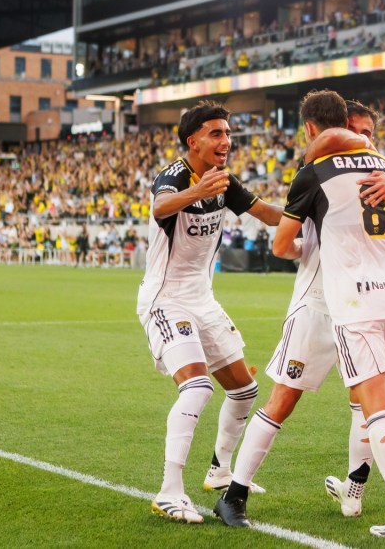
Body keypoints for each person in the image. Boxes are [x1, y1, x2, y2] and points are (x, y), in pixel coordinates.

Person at [214, 98, 385, 530]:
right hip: (319, 302)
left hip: (357, 301)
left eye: (370, 134)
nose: (364, 139)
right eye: (358, 131)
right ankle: (235, 493)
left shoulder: (366, 171)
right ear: (341, 127)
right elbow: (290, 236)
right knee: (287, 399)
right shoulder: (330, 167)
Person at [259, 90, 385, 539]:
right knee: (382, 401)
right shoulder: (384, 166)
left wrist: (311, 245)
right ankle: (358, 492)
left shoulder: (314, 171)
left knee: (377, 410)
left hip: (355, 299)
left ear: (310, 128)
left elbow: (281, 245)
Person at [137, 101, 283, 524]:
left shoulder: (225, 180)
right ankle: (169, 491)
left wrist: (309, 212)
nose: (226, 141)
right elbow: (161, 207)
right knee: (197, 387)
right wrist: (197, 192)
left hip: (203, 300)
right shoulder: (173, 176)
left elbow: (267, 214)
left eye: (228, 133)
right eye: (216, 133)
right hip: (166, 299)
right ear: (193, 141)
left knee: (244, 390)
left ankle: (220, 471)